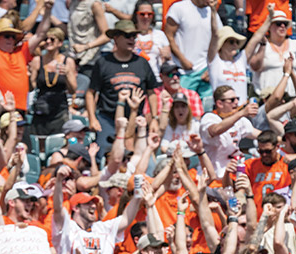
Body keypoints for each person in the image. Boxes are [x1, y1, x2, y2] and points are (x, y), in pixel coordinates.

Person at [86, 19, 158, 150]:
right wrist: (92, 118)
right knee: (104, 153)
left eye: (133, 36)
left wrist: (154, 118)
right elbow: (90, 93)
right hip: (108, 119)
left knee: (138, 154)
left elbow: (152, 93)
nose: (131, 39)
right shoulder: (103, 62)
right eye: (127, 36)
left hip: (135, 118)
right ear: (116, 38)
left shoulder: (142, 63)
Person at [28, 27, 76, 137]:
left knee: (58, 140)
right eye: (46, 39)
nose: (48, 41)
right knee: (39, 141)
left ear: (60, 43)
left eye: (52, 39)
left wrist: (67, 74)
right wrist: (30, 77)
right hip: (41, 107)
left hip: (60, 109)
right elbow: (31, 87)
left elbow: (73, 90)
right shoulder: (37, 61)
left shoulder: (67, 62)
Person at [163, 0, 215, 95]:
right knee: (183, 107)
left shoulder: (212, 12)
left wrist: (211, 68)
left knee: (207, 108)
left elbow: (217, 40)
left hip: (205, 72)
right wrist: (182, 60)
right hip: (183, 72)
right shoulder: (179, 8)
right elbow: (168, 35)